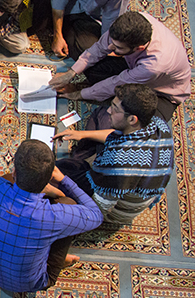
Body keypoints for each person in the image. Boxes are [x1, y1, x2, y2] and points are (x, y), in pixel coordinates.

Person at [0, 140, 103, 293]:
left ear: (15, 171)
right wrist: (64, 180)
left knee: (1, 186)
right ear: (49, 179)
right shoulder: (55, 216)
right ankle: (54, 262)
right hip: (33, 283)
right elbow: (96, 215)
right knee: (69, 204)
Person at [54, 84, 174, 225]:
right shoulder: (159, 125)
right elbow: (119, 135)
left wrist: (60, 189)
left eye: (115, 109)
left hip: (113, 208)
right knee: (101, 114)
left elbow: (99, 207)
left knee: (52, 176)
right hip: (123, 179)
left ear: (132, 119)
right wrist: (81, 134)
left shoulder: (119, 163)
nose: (110, 110)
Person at [49, 11, 191, 121]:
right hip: (132, 68)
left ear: (139, 48)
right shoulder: (131, 22)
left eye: (118, 47)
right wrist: (71, 73)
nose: (110, 47)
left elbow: (116, 83)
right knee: (86, 56)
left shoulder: (155, 65)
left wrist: (80, 94)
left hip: (162, 93)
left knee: (133, 122)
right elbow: (99, 48)